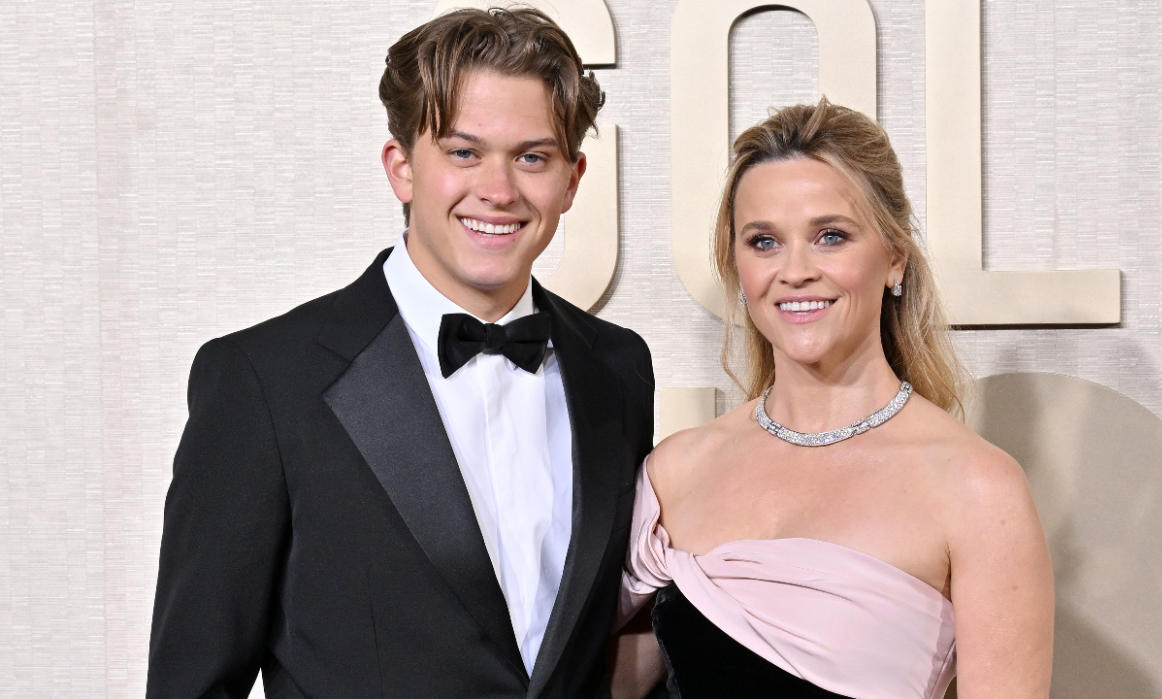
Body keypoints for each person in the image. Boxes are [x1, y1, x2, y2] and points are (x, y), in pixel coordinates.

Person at [147, 8, 654, 697]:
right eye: (463, 152)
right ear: (402, 168)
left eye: (532, 156)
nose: (499, 191)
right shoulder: (264, 380)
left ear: (572, 178)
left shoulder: (618, 369)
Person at [613, 100, 1053, 698]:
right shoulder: (677, 470)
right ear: (738, 268)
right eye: (764, 242)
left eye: (830, 237)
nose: (795, 271)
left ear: (894, 257)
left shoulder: (975, 487)